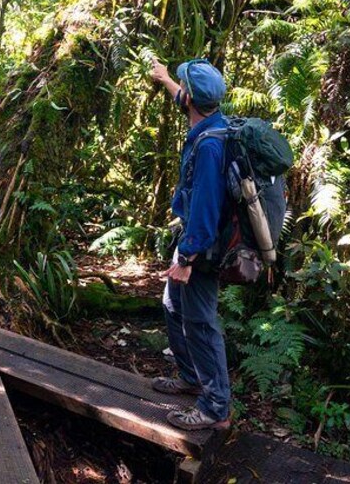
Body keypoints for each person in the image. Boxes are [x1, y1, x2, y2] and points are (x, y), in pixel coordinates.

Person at [148, 57, 232, 431]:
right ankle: (191, 377)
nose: (180, 92)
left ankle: (215, 406)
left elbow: (206, 209)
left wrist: (186, 257)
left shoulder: (211, 146)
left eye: (184, 87)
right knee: (172, 305)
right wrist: (164, 76)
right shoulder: (209, 118)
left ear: (194, 101)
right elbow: (183, 97)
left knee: (199, 322)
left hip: (203, 246)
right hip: (194, 239)